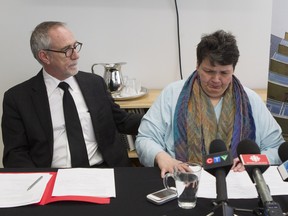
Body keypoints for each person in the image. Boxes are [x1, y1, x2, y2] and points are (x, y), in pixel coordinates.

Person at [135, 30, 285, 177]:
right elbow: (145, 138)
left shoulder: (251, 100)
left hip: (238, 183)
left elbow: (276, 147)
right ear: (197, 65)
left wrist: (251, 161)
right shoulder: (172, 94)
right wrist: (162, 157)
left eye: (224, 73)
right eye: (209, 71)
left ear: (233, 69)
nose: (216, 79)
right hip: (183, 179)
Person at [1, 21, 143, 168]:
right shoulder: (17, 99)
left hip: (104, 169)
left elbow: (122, 121)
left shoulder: (95, 83)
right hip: (53, 175)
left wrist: (162, 119)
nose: (76, 55)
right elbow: (15, 153)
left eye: (75, 46)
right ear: (44, 56)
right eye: (67, 50)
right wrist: (39, 182)